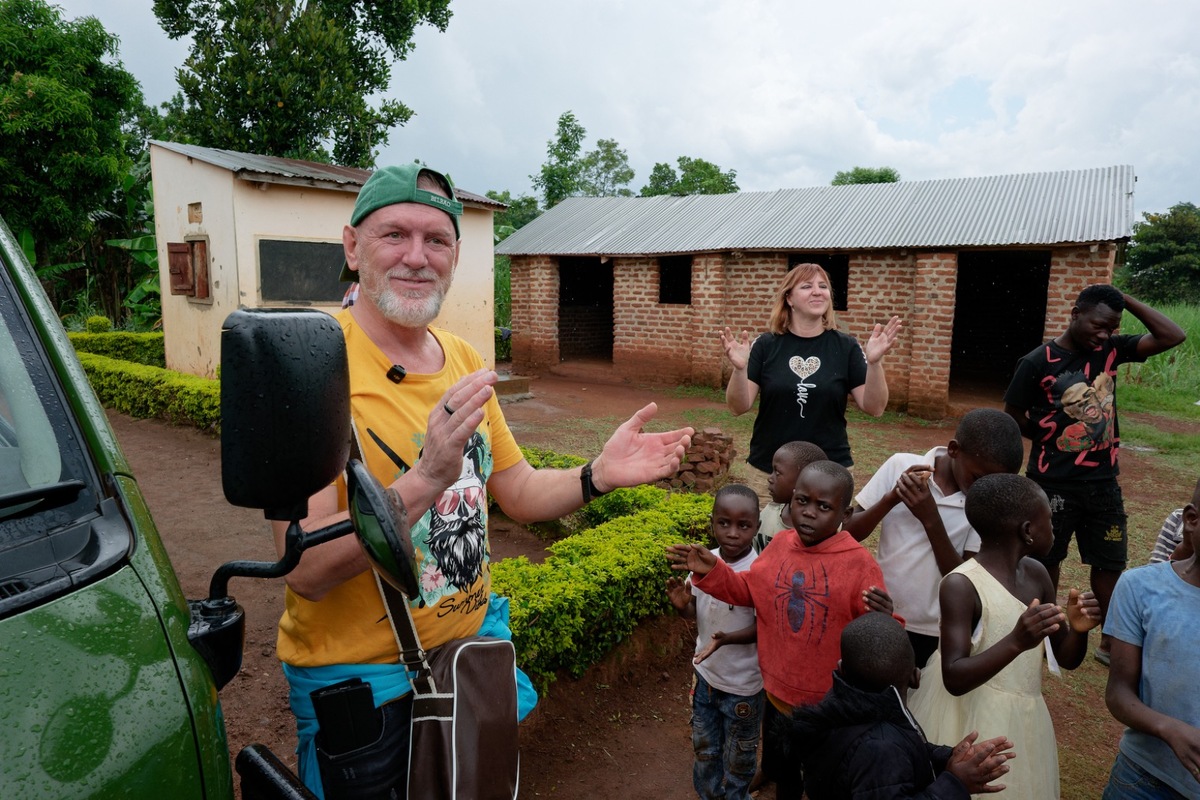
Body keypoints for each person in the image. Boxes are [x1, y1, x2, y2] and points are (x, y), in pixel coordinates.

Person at [272, 163, 694, 798]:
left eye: (436, 240)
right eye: (394, 235)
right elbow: (302, 566)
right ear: (352, 245)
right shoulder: (311, 366)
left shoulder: (464, 359)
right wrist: (426, 478)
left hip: (469, 663)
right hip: (367, 690)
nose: (417, 257)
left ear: (456, 256)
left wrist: (597, 475)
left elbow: (518, 491)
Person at [667, 460, 889, 799]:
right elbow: (747, 591)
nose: (809, 513)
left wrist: (885, 620)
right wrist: (714, 570)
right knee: (786, 774)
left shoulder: (859, 564)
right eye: (802, 501)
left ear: (845, 512)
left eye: (824, 506)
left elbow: (877, 635)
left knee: (824, 779)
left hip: (827, 706)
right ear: (791, 501)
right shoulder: (781, 545)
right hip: (777, 698)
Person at [1003, 284, 1186, 665]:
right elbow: (1012, 414)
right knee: (1045, 559)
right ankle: (1048, 632)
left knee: (1110, 562)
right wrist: (1049, 436)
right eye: (1099, 325)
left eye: (1112, 327)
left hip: (1103, 483)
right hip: (1051, 482)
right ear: (1075, 314)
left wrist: (1124, 299)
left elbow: (1173, 335)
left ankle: (1115, 641)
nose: (1104, 334)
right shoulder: (1037, 361)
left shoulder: (1111, 351)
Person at [908, 474, 1101, 799]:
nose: (1054, 530)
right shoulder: (961, 585)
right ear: (1027, 531)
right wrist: (1016, 642)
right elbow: (954, 676)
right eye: (1049, 522)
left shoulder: (1038, 575)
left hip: (1021, 718)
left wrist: (1079, 631)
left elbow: (1066, 656)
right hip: (967, 720)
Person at [844, 409, 1024, 668]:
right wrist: (890, 498)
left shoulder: (986, 504)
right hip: (881, 613)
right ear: (953, 450)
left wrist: (930, 518)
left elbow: (966, 579)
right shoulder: (900, 466)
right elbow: (848, 532)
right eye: (978, 478)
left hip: (936, 628)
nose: (985, 488)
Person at [790, 612, 1016, 799]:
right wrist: (955, 784)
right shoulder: (880, 749)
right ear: (915, 677)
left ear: (841, 668)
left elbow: (905, 748)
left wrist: (945, 757)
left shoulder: (843, 700)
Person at [720, 263, 902, 490]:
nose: (817, 291)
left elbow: (875, 408)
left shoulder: (846, 347)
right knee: (767, 527)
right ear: (789, 298)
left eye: (823, 286)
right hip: (769, 473)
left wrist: (874, 364)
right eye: (807, 286)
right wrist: (739, 369)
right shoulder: (765, 345)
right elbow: (738, 407)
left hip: (829, 473)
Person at [1102, 478, 1200, 799]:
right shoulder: (1139, 587)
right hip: (1145, 779)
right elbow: (1118, 692)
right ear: (1191, 520)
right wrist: (1167, 728)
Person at [667, 484, 764, 800]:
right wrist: (684, 606)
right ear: (712, 523)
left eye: (743, 525)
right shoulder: (702, 563)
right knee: (705, 749)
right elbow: (698, 613)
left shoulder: (760, 572)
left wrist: (728, 640)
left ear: (757, 527)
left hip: (744, 687)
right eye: (724, 523)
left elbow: (768, 627)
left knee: (739, 760)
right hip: (706, 678)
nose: (733, 533)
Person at [754, 440, 827, 554]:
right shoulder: (768, 513)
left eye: (777, 473)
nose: (770, 478)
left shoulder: (823, 529)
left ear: (803, 480)